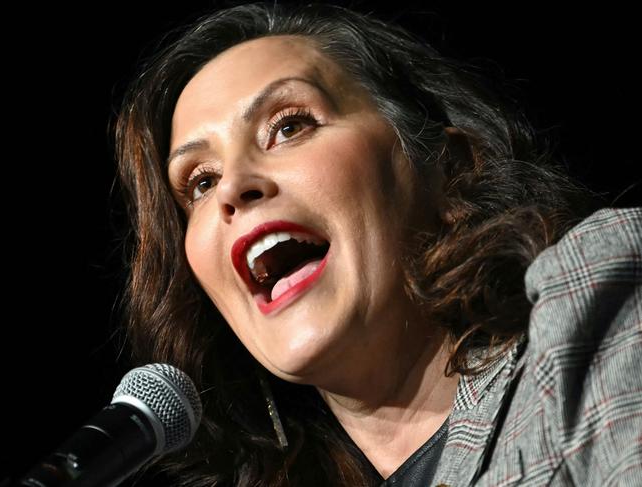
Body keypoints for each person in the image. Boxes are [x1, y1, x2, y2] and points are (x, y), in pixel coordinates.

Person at [112, 2, 641, 485]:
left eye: (289, 126)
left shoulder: (589, 300)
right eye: (200, 182)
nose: (231, 187)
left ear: (447, 166)